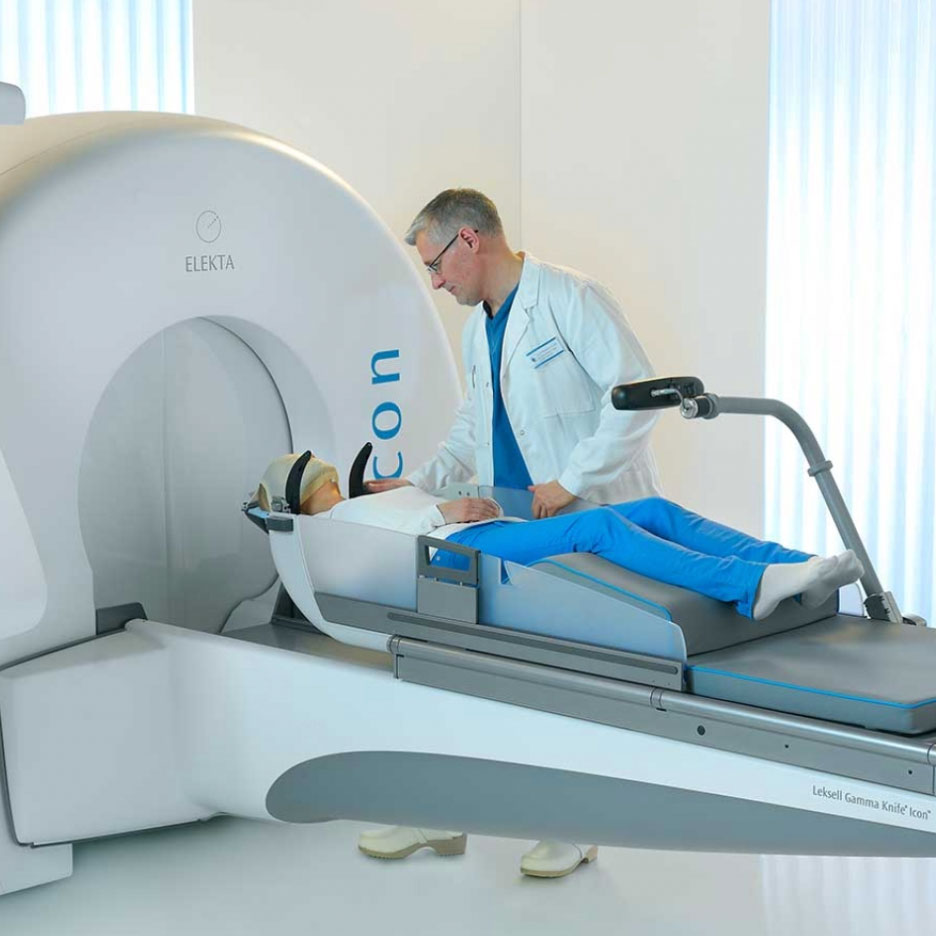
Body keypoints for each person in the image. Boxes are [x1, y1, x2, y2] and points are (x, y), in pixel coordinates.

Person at [256, 454, 864, 875]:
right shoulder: (327, 527)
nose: (322, 471)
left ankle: (794, 568)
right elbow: (382, 554)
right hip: (457, 552)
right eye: (309, 472)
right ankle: (749, 584)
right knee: (600, 527)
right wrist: (443, 513)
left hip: (490, 530)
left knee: (654, 511)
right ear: (296, 497)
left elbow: (425, 500)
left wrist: (438, 498)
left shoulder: (371, 501)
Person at [362, 188, 662, 876]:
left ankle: (575, 826)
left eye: (436, 265)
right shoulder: (480, 328)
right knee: (473, 664)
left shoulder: (570, 298)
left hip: (585, 518)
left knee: (574, 678)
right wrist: (418, 484)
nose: (436, 283)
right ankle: (442, 814)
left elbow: (637, 395)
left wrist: (572, 480)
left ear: (469, 240)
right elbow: (474, 424)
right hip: (514, 523)